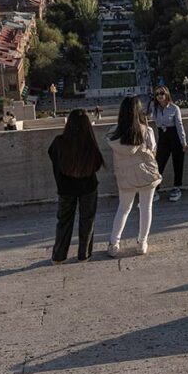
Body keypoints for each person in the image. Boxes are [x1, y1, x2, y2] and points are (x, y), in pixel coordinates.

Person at [107, 96, 162, 256]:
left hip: (125, 176)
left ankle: (114, 243)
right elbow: (153, 151)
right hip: (146, 174)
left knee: (123, 209)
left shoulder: (114, 134)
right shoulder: (147, 131)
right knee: (146, 208)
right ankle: (142, 242)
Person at [47, 109, 103, 264]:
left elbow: (52, 156)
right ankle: (84, 254)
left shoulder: (59, 142)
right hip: (88, 186)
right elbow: (97, 163)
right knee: (87, 220)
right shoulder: (89, 141)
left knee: (64, 221)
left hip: (66, 188)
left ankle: (59, 256)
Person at [149, 86, 188, 203]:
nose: (160, 96)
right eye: (157, 94)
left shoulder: (174, 108)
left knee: (177, 163)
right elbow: (151, 119)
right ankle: (156, 188)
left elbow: (179, 125)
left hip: (174, 137)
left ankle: (177, 187)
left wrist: (183, 142)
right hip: (163, 138)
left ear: (167, 94)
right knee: (158, 164)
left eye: (162, 93)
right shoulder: (154, 108)